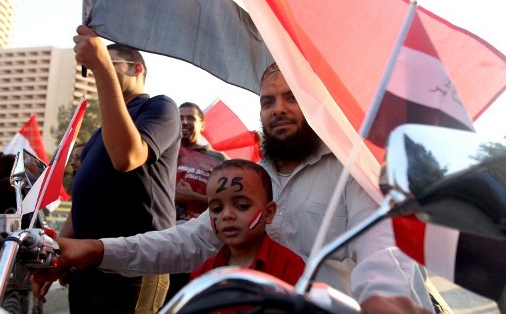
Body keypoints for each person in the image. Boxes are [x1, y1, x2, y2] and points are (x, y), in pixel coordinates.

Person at [33, 60, 433, 314]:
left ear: (316, 106)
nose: (278, 109)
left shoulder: (355, 173)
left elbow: (384, 250)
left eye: (292, 98)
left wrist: (385, 299)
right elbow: (183, 243)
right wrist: (94, 249)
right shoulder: (254, 182)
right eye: (268, 101)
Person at [57, 25, 181, 314]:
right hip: (89, 267)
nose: (102, 70)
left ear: (137, 69)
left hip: (134, 268)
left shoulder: (160, 108)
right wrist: (61, 248)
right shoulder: (101, 134)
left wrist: (101, 69)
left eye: (111, 65)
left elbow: (127, 157)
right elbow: (82, 201)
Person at [190, 159, 305, 286]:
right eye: (217, 209)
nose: (227, 215)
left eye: (242, 206)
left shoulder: (290, 268)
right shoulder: (203, 274)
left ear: (269, 213)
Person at [165, 102, 228, 302]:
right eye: (180, 117)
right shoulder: (162, 153)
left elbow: (233, 203)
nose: (184, 121)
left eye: (190, 117)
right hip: (162, 242)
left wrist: (194, 199)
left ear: (202, 125)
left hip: (202, 246)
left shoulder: (219, 160)